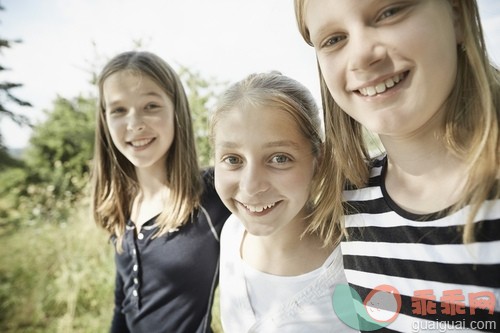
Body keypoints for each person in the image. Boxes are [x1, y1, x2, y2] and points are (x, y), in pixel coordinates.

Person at [294, 0, 500, 332]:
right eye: (333, 39)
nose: (361, 55)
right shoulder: (348, 198)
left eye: (390, 12)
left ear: (457, 15)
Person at [90, 51, 230, 333]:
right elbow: (122, 306)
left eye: (151, 105)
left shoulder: (214, 194)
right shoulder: (121, 202)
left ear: (175, 109)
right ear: (105, 120)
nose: (134, 123)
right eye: (118, 110)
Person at [211, 71, 355, 332]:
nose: (251, 187)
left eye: (279, 158)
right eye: (233, 159)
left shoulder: (356, 266)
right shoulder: (232, 233)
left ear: (318, 161)